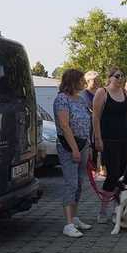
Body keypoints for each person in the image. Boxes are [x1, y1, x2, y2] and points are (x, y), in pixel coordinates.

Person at [92, 68, 127, 223]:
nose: (120, 78)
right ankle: (103, 211)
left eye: (122, 76)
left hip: (125, 138)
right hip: (109, 139)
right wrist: (98, 138)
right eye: (117, 76)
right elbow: (96, 117)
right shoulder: (102, 92)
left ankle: (117, 209)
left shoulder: (125, 93)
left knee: (121, 175)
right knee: (112, 175)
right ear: (110, 77)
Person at [53, 69, 93, 238]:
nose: (84, 82)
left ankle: (75, 217)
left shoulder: (81, 99)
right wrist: (75, 149)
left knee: (80, 182)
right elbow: (65, 125)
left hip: (83, 144)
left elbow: (87, 121)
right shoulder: (62, 99)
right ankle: (68, 223)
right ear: (73, 81)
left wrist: (88, 146)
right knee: (71, 183)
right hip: (69, 146)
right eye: (81, 80)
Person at [80, 70, 102, 172]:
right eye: (94, 80)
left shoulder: (100, 92)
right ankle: (91, 169)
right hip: (89, 125)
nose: (97, 82)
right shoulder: (84, 94)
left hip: (101, 123)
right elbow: (90, 108)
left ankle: (99, 168)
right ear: (88, 81)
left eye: (98, 80)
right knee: (91, 147)